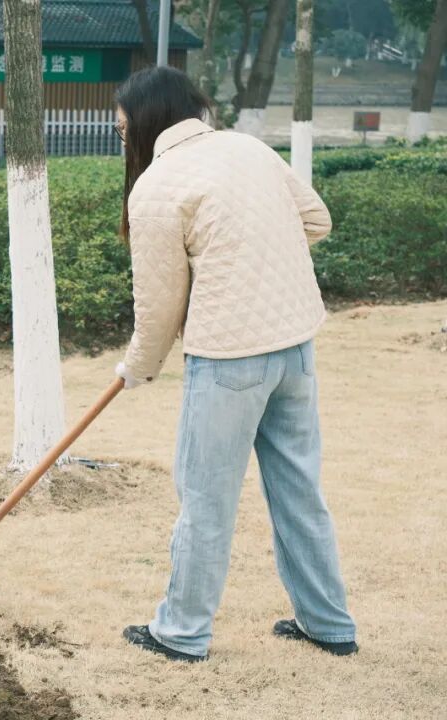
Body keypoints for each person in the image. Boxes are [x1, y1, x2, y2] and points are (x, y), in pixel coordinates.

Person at [112, 67, 357, 662]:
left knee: (206, 501)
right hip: (295, 348)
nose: (122, 139)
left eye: (123, 130)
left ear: (148, 123)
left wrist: (136, 369)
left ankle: (181, 633)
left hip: (228, 362)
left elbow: (160, 306)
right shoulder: (250, 148)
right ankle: (328, 625)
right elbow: (316, 220)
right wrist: (251, 253)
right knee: (299, 491)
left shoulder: (157, 186)